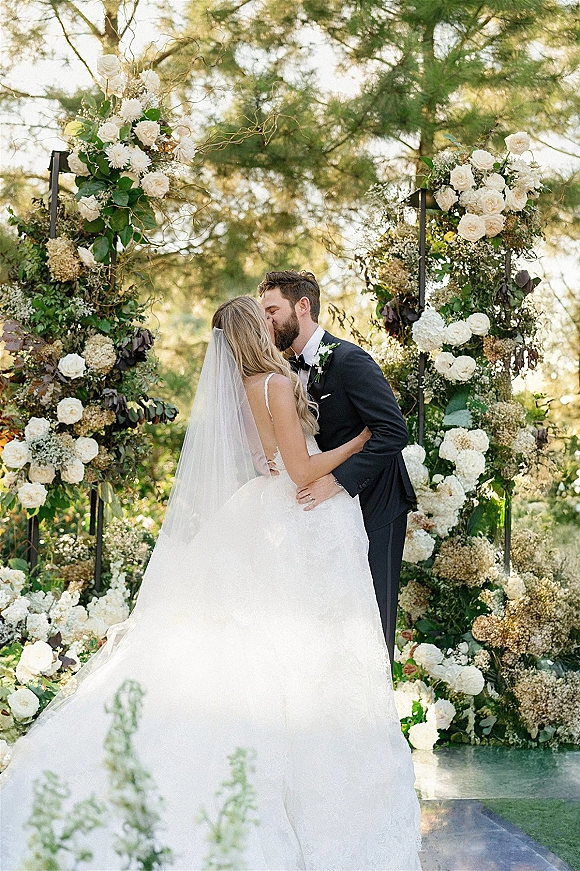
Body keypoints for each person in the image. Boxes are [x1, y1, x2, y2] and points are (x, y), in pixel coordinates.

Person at [0, 296, 421, 871]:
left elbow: (262, 459)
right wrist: (356, 444)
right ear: (255, 330)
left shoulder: (246, 391)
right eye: (265, 316)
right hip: (298, 516)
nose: (274, 322)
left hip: (259, 509)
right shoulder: (274, 386)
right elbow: (299, 472)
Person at [259, 271, 415, 667]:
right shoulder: (284, 371)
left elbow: (394, 431)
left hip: (375, 505)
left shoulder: (349, 359)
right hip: (326, 515)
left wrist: (337, 483)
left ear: (303, 306)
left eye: (273, 310)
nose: (268, 320)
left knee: (375, 618)